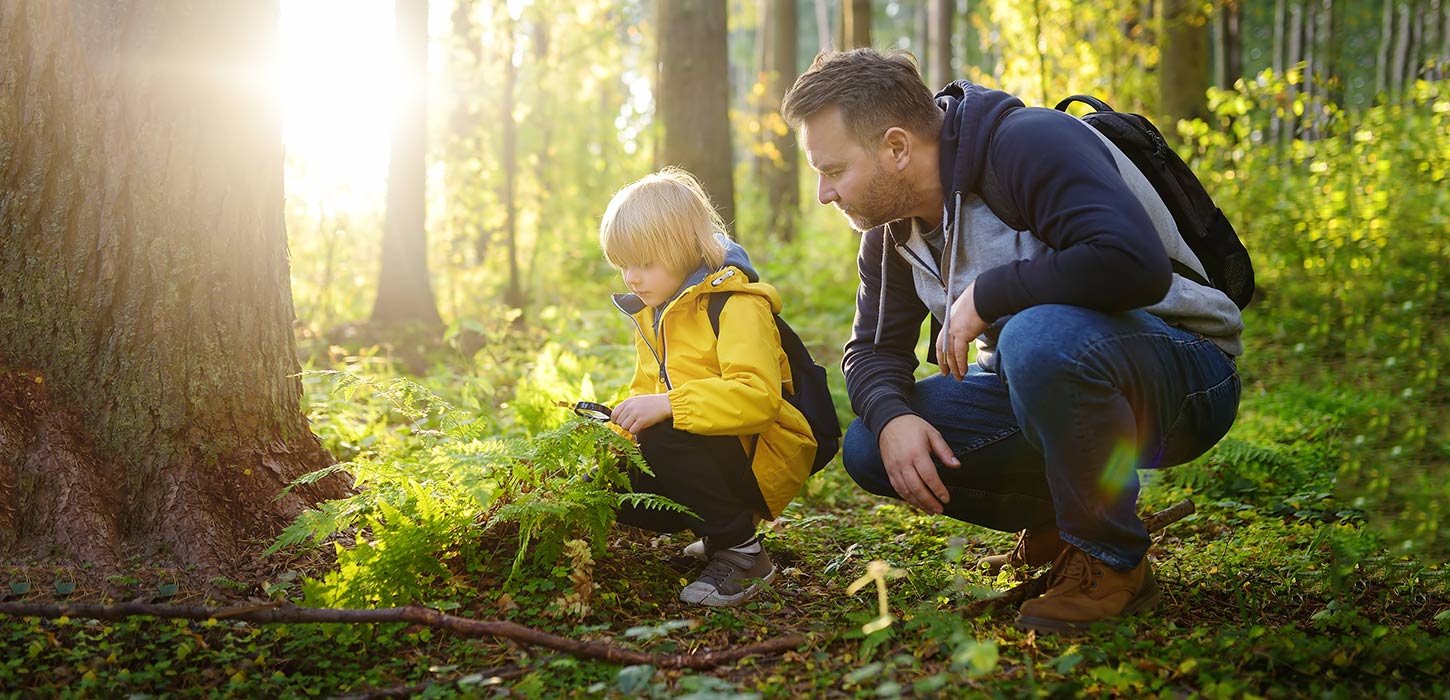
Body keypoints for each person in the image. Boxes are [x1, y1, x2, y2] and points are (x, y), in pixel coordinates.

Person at [781, 49, 1243, 632]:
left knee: (1035, 335)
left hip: (1185, 373)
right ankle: (1065, 521)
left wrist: (991, 294)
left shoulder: (1028, 144)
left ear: (896, 147)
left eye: (834, 170)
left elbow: (1135, 264)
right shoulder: (891, 229)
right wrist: (893, 415)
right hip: (1049, 381)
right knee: (871, 445)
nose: (824, 193)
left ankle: (1110, 558)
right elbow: (871, 351)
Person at [598, 167, 817, 607]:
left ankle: (743, 553)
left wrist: (668, 406)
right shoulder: (655, 312)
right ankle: (720, 531)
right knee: (611, 483)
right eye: (624, 265)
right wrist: (612, 440)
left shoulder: (736, 306)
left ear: (682, 251)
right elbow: (648, 390)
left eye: (644, 263)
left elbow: (756, 399)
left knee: (662, 433)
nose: (632, 278)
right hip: (718, 443)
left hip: (763, 450)